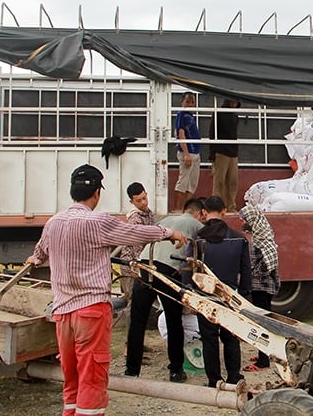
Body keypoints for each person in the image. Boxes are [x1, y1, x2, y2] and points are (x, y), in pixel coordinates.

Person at [25, 164, 187, 416]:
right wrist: (169, 232)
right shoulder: (98, 222)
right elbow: (134, 233)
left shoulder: (53, 222)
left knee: (72, 378)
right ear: (97, 193)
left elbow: (38, 255)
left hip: (63, 313)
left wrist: (33, 260)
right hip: (90, 311)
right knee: (92, 378)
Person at [125, 197, 206, 381]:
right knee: (173, 319)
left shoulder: (166, 220)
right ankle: (176, 370)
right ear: (198, 213)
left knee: (138, 320)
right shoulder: (196, 224)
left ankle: (131, 370)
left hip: (145, 266)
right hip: (169, 271)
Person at [182, 196, 252, 388]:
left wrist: (188, 295)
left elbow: (188, 269)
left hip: (205, 296)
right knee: (231, 337)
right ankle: (234, 376)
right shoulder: (239, 238)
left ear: (204, 212)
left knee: (209, 339)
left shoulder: (197, 239)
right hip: (230, 295)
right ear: (224, 211)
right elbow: (246, 270)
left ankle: (214, 380)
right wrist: (245, 295)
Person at [239, 203, 280, 372]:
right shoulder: (259, 234)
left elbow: (270, 261)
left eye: (244, 219)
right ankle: (264, 353)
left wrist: (254, 272)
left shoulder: (261, 238)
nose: (242, 221)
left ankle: (263, 361)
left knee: (261, 323)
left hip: (261, 286)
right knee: (263, 320)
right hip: (261, 286)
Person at [119, 182, 154, 304]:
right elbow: (137, 246)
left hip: (144, 260)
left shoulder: (149, 213)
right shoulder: (135, 218)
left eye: (144, 198)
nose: (143, 202)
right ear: (132, 202)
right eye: (138, 201)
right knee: (133, 300)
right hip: (131, 263)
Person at [209, 98, 241, 212]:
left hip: (233, 151)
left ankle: (231, 206)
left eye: (235, 102)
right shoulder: (219, 113)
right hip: (221, 151)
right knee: (219, 181)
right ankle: (216, 207)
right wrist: (212, 153)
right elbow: (212, 132)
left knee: (233, 181)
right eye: (232, 102)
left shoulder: (235, 116)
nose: (233, 104)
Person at [174, 92, 201, 212]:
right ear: (182, 102)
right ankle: (177, 208)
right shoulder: (182, 114)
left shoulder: (192, 116)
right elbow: (181, 133)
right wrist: (186, 153)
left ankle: (186, 209)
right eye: (187, 102)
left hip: (195, 151)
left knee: (192, 183)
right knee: (183, 181)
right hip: (188, 152)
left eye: (192, 102)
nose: (190, 105)